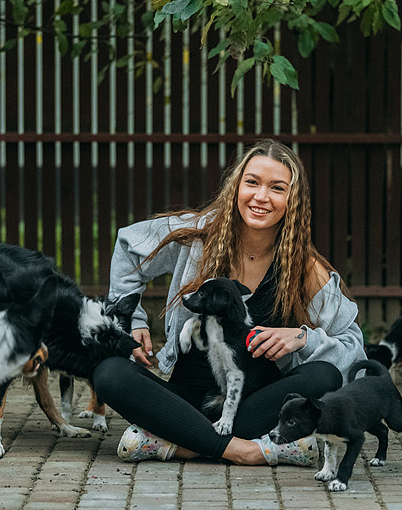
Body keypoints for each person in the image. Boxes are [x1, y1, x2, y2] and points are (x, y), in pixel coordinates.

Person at [92, 139, 366, 466]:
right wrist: (132, 321)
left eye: (277, 188)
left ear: (293, 199)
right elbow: (129, 247)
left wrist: (302, 338)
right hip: (184, 400)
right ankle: (247, 451)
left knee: (325, 376)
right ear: (236, 186)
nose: (261, 197)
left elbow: (353, 352)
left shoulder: (304, 270)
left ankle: (179, 443)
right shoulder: (196, 236)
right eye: (252, 182)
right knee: (108, 371)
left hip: (254, 405)